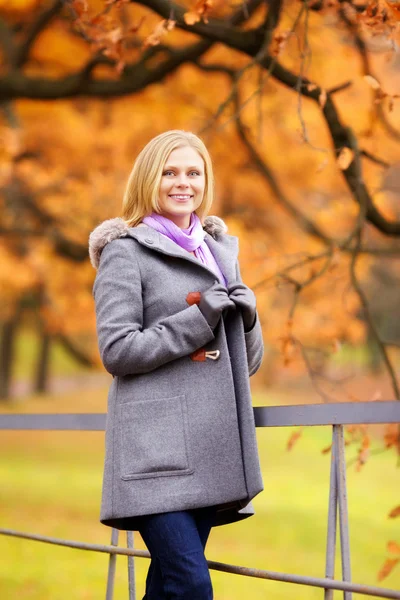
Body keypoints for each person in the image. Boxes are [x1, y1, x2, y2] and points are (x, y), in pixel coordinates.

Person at [89, 130, 264, 599]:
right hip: (155, 455)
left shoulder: (220, 253)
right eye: (169, 172)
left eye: (193, 172)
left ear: (206, 180)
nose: (182, 182)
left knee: (167, 587)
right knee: (190, 583)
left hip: (212, 448)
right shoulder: (125, 252)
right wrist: (198, 318)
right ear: (150, 179)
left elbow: (245, 367)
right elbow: (117, 350)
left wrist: (247, 320)